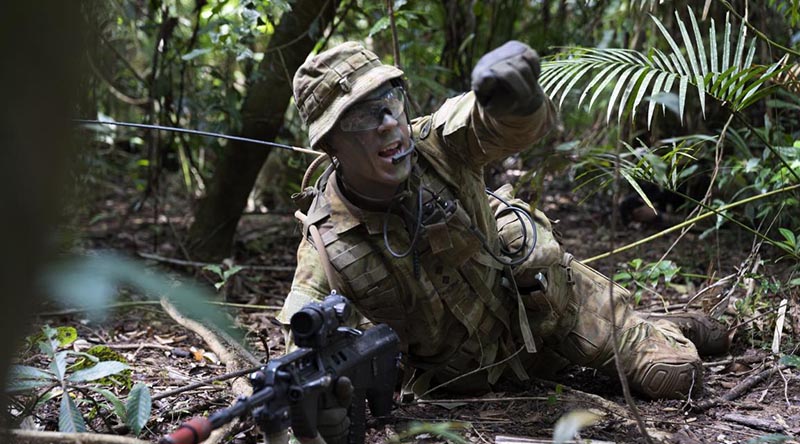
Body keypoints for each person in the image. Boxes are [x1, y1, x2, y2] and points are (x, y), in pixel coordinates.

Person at [278, 40, 729, 443]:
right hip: (471, 378)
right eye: (361, 114)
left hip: (552, 311)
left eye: (390, 100)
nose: (387, 123)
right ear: (330, 143)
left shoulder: (436, 145)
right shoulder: (329, 246)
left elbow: (491, 123)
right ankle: (664, 323)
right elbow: (304, 348)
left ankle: (672, 326)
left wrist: (516, 96)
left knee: (675, 376)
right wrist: (321, 410)